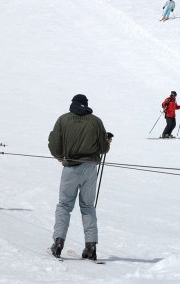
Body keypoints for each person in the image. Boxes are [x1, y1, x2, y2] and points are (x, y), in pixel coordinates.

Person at [48, 94, 111, 261]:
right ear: (86, 105)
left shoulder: (63, 120)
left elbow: (54, 144)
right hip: (90, 168)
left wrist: (60, 156)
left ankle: (58, 242)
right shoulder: (96, 121)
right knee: (88, 206)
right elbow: (103, 148)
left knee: (64, 205)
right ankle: (91, 246)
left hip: (70, 167)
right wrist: (107, 141)